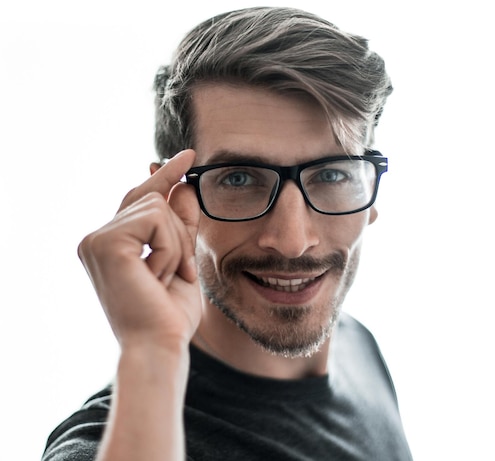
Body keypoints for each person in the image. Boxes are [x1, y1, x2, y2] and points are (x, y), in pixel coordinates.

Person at [42, 7, 412, 461]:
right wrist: (152, 351)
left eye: (332, 175)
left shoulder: (357, 344)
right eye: (239, 178)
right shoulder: (104, 443)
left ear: (369, 195)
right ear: (169, 199)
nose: (293, 241)